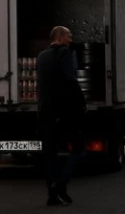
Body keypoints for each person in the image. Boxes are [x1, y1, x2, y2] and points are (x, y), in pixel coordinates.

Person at [37, 26, 86, 207]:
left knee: (50, 152)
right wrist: (81, 102)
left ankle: (52, 191)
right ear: (61, 36)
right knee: (78, 147)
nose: (71, 39)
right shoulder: (65, 54)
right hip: (63, 111)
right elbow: (70, 79)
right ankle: (61, 184)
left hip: (45, 111)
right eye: (69, 36)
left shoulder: (41, 56)